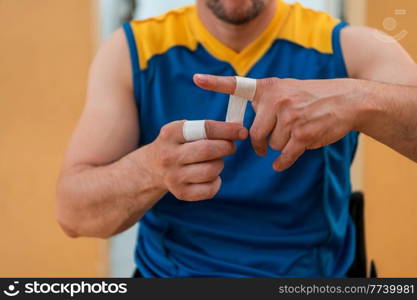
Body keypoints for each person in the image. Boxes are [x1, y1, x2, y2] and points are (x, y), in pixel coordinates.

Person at [56, 0, 417, 277]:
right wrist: (151, 169)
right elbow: (73, 214)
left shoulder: (349, 47)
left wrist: (357, 100)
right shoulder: (131, 51)